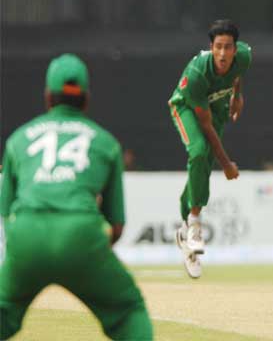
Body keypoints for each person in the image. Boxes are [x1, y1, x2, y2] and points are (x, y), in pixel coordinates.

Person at [0, 54, 153, 340]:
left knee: (3, 311)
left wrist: (23, 249)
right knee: (128, 310)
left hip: (26, 235)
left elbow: (5, 211)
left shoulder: (18, 139)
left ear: (48, 97)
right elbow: (117, 225)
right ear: (86, 99)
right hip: (81, 235)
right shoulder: (106, 143)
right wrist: (85, 252)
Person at [168, 19, 252, 279]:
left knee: (202, 164)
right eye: (218, 47)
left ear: (235, 49)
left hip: (217, 106)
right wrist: (226, 164)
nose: (223, 54)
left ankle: (185, 228)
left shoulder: (245, 56)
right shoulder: (197, 75)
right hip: (186, 107)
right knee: (199, 152)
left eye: (228, 47)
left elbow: (236, 75)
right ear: (211, 48)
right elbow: (205, 126)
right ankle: (193, 223)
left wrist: (237, 97)